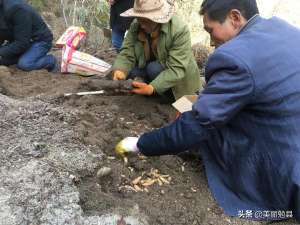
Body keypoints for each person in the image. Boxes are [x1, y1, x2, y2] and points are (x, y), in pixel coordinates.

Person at [115, 0, 300, 222]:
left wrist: (140, 144)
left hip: (285, 169)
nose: (211, 42)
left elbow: (197, 124)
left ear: (234, 17)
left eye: (210, 30)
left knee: (210, 129)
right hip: (287, 124)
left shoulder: (234, 58)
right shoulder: (285, 29)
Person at [111, 0, 201, 101]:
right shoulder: (137, 25)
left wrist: (152, 88)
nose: (142, 25)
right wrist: (120, 69)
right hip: (149, 64)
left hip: (177, 78)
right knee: (131, 72)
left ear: (157, 18)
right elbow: (127, 51)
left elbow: (177, 69)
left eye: (146, 21)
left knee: (153, 69)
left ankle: (166, 95)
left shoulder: (179, 30)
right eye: (139, 19)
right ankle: (150, 86)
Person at [0, 0, 57, 72]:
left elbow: (22, 43)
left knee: (25, 64)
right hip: (20, 41)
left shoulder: (17, 9)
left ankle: (50, 60)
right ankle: (25, 56)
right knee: (2, 60)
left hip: (40, 41)